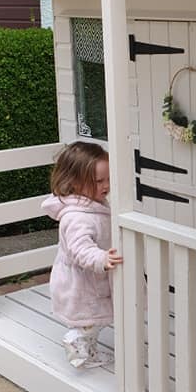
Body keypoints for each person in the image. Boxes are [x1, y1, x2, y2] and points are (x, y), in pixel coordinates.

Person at [41, 142, 123, 369]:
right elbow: (80, 249)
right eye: (98, 181)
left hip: (89, 281)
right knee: (89, 321)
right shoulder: (77, 216)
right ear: (75, 182)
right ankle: (76, 341)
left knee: (96, 318)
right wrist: (101, 259)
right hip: (81, 284)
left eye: (108, 178)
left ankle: (90, 350)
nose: (106, 185)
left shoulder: (91, 203)